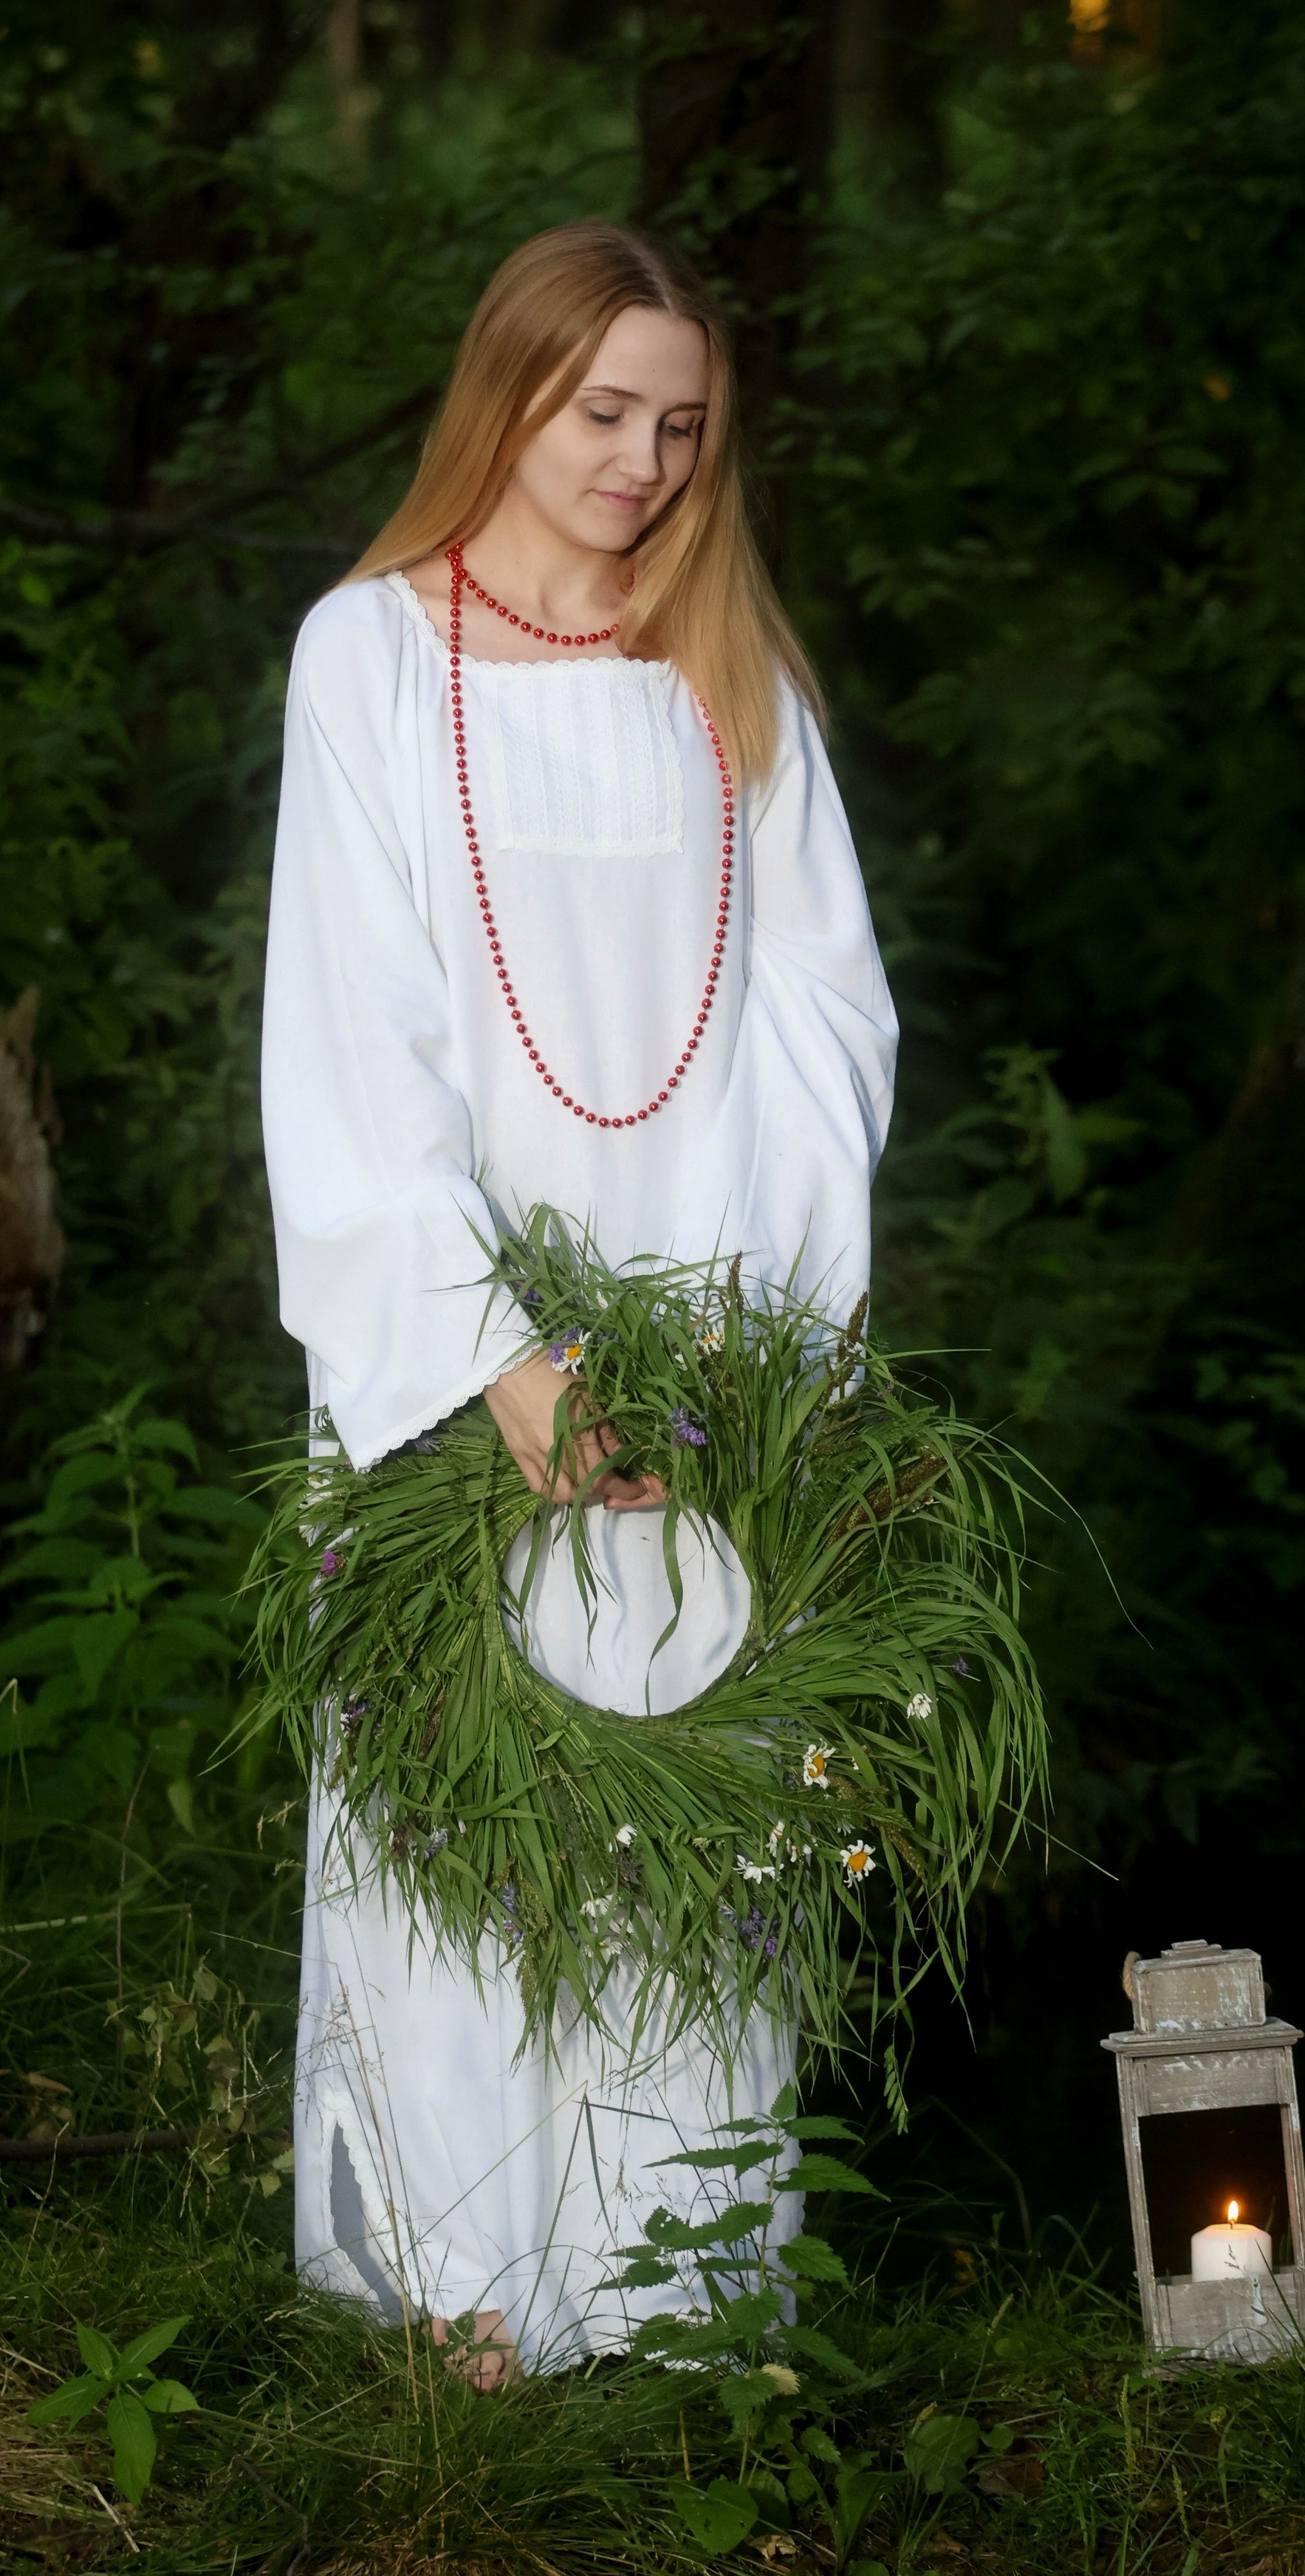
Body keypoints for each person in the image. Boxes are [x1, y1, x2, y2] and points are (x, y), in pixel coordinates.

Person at [260, 220, 897, 2384]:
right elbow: (346, 1029)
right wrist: (496, 1358)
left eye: (682, 426)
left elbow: (825, 1013)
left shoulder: (731, 669)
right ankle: (472, 2306)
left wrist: (752, 1334)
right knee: (460, 1817)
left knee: (689, 1801)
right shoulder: (370, 656)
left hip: (703, 1340)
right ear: (507, 393)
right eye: (603, 409)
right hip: (468, 1341)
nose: (641, 460)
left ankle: (683, 2306)